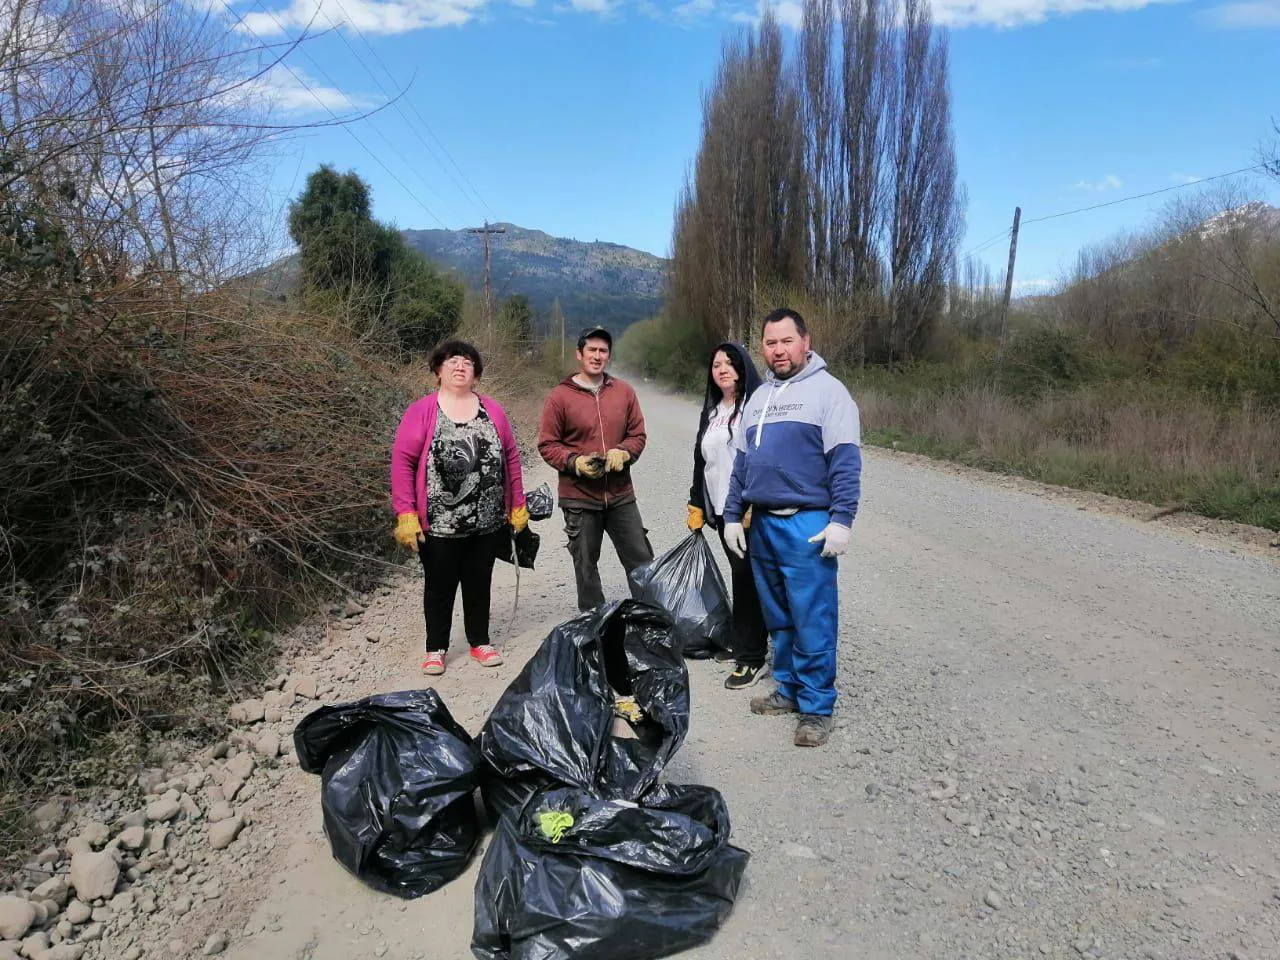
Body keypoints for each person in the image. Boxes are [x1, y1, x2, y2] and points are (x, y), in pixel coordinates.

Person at [721, 308, 862, 747]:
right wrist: (730, 515)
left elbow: (845, 462)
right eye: (770, 342)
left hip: (808, 524)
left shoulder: (829, 393)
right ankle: (788, 688)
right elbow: (742, 464)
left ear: (806, 341)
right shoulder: (759, 398)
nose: (778, 350)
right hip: (763, 523)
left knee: (812, 617)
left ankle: (817, 707)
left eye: (786, 341)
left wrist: (842, 520)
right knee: (779, 617)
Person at [390, 340, 529, 676]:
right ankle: (435, 648)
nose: (460, 366)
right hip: (438, 523)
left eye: (467, 362)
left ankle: (479, 641)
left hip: (487, 521)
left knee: (479, 582)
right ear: (439, 370)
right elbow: (403, 461)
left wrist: (517, 504)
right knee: (439, 585)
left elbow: (510, 456)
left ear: (476, 374)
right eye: (452, 361)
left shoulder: (492, 410)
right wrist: (406, 512)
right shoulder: (422, 410)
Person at [538, 325, 653, 613]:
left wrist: (623, 453)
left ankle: (651, 622)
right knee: (586, 566)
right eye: (592, 349)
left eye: (603, 351)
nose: (598, 355)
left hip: (620, 494)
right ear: (580, 354)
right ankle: (594, 626)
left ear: (608, 356)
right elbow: (548, 444)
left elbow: (637, 435)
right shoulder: (560, 397)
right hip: (579, 498)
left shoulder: (624, 392)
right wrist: (574, 462)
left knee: (641, 560)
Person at [686, 342, 770, 690]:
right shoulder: (713, 409)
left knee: (748, 580)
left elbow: (761, 458)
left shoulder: (755, 407)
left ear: (742, 367)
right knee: (742, 577)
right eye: (716, 363)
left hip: (748, 512)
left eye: (729, 363)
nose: (721, 369)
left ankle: (752, 657)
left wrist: (750, 503)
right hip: (721, 510)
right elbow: (700, 458)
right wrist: (695, 502)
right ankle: (744, 639)